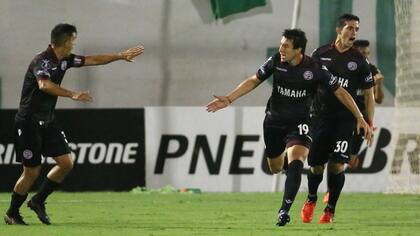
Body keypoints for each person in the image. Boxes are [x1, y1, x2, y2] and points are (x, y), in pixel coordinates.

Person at [206, 29, 371, 227]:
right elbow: (254, 80)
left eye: (286, 46)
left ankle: (284, 211)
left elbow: (340, 92)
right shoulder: (276, 61)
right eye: (281, 44)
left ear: (298, 50)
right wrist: (229, 98)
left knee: (297, 159)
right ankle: (287, 170)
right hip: (274, 121)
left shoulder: (315, 68)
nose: (281, 49)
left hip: (301, 122)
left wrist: (360, 117)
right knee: (275, 167)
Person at [4, 23, 144, 225]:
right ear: (66, 41)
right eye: (73, 39)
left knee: (66, 163)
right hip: (28, 122)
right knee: (32, 172)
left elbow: (93, 59)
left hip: (48, 121)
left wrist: (121, 55)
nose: (74, 43)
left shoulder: (65, 60)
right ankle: (12, 213)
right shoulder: (42, 61)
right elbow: (44, 85)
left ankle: (38, 200)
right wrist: (73, 94)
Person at [301, 14, 375, 224]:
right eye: (350, 28)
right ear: (339, 30)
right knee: (316, 165)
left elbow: (369, 94)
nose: (354, 33)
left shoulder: (360, 61)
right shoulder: (320, 53)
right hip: (320, 116)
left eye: (356, 29)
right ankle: (312, 198)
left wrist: (369, 122)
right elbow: (309, 82)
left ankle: (330, 209)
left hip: (345, 120)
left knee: (337, 165)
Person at [348, 39, 385, 168]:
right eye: (363, 52)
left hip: (360, 119)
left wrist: (376, 83)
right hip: (343, 114)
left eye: (368, 53)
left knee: (351, 161)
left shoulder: (369, 68)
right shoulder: (345, 66)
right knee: (334, 159)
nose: (366, 56)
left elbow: (379, 98)